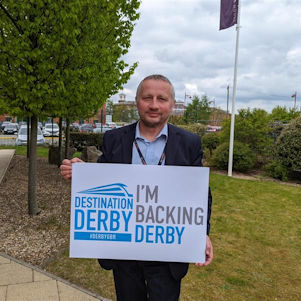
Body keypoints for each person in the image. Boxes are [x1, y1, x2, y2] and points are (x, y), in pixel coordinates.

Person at [60, 74, 213, 301]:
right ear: (136, 101)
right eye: (147, 98)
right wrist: (83, 172)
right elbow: (104, 178)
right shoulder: (114, 139)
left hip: (168, 253)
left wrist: (202, 233)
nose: (153, 105)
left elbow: (199, 193)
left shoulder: (189, 143)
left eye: (161, 99)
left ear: (171, 104)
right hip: (125, 252)